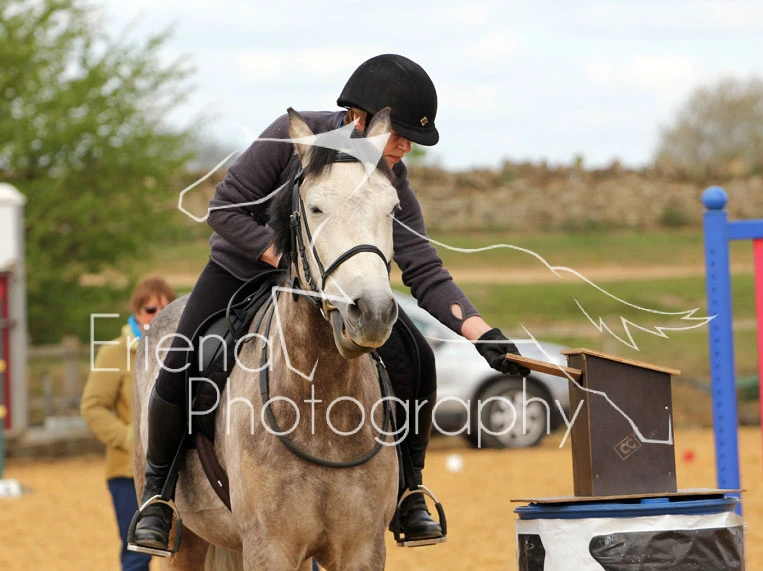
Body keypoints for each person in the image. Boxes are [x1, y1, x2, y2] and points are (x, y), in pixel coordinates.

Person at [130, 53, 531, 554]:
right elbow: (224, 207)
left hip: (339, 285)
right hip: (243, 269)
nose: (405, 148)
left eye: (411, 140)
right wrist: (288, 259)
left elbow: (423, 266)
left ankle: (409, 490)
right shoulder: (291, 137)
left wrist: (482, 335)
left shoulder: (388, 177)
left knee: (418, 359)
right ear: (360, 120)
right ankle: (159, 495)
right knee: (182, 358)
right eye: (400, 134)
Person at [81, 277, 177, 570]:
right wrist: (131, 439)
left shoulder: (183, 350)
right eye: (150, 309)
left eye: (166, 308)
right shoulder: (115, 352)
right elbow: (93, 407)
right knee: (137, 551)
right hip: (127, 472)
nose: (158, 316)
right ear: (136, 313)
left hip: (178, 472)